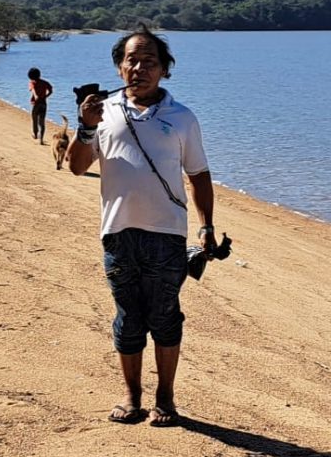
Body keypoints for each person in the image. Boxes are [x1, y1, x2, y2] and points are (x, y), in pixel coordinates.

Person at [67, 26, 217, 427]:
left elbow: (199, 175)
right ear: (119, 68)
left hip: (167, 234)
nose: (139, 68)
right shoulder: (103, 113)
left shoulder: (182, 118)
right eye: (131, 61)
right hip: (117, 233)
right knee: (128, 317)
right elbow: (77, 166)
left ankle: (165, 397)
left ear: (164, 70)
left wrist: (206, 227)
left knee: (165, 315)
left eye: (149, 62)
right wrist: (84, 127)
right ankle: (132, 396)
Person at [27, 67, 53, 144]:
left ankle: (35, 134)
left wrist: (35, 96)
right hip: (43, 103)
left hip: (36, 104)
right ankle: (41, 139)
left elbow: (33, 89)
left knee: (35, 120)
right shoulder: (45, 82)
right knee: (42, 122)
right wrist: (46, 96)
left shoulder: (32, 82)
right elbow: (51, 90)